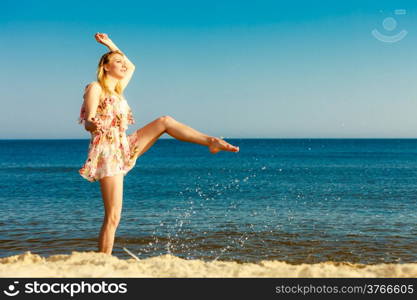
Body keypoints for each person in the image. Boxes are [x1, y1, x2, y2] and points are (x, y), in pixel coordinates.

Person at [78, 33, 240, 255]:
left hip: (125, 144)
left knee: (165, 121)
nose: (123, 65)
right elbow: (88, 118)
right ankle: (103, 261)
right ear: (105, 67)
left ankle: (211, 141)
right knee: (114, 215)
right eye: (117, 62)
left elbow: (132, 66)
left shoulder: (118, 90)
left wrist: (111, 45)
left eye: (122, 61)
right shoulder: (95, 88)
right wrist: (91, 125)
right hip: (108, 152)